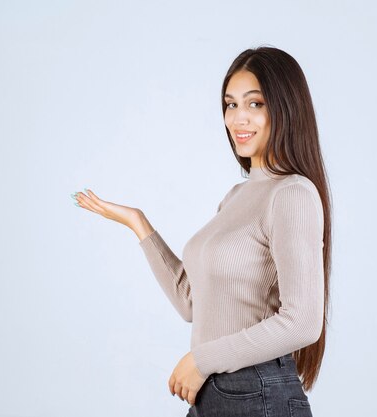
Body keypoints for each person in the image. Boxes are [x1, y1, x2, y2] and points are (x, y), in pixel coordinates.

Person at [71, 45, 332, 417]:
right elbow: (192, 303)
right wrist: (139, 224)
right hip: (216, 390)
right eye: (230, 104)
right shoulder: (237, 197)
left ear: (286, 108)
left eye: (255, 104)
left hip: (253, 391)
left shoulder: (292, 193)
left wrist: (202, 360)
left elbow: (303, 322)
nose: (239, 118)